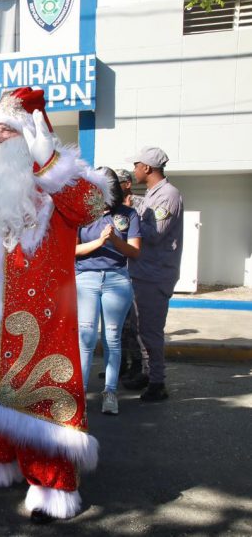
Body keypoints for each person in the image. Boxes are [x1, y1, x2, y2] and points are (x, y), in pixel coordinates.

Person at [0, 87, 106, 522]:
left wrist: (49, 162)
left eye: (8, 130)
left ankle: (50, 484)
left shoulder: (57, 184)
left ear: (30, 135)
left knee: (36, 396)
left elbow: (91, 205)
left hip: (36, 317)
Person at [75, 167, 141, 415]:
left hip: (116, 279)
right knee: (86, 338)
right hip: (86, 279)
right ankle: (79, 396)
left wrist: (115, 240)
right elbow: (72, 251)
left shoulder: (128, 214)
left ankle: (110, 392)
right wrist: (100, 242)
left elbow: (134, 252)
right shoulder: (82, 214)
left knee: (112, 339)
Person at [122, 147, 183, 402]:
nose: (134, 170)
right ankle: (148, 374)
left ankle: (157, 383)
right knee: (141, 329)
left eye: (136, 165)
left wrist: (130, 221)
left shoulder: (168, 195)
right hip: (143, 271)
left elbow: (155, 233)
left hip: (155, 274)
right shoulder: (151, 194)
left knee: (151, 331)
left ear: (147, 168)